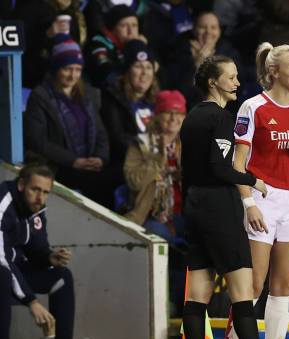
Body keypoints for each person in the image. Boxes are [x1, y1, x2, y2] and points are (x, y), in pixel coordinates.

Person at [179, 55, 289, 339]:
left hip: (194, 205)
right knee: (243, 291)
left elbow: (188, 168)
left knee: (197, 294)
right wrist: (255, 180)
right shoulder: (220, 118)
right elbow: (220, 166)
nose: (237, 82)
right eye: (230, 77)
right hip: (218, 207)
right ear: (213, 82)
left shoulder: (191, 118)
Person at [216, 42, 289, 339]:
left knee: (284, 285)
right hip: (262, 196)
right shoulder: (254, 106)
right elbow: (238, 161)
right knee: (254, 283)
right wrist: (247, 203)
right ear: (274, 71)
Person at [0, 164, 100, 339]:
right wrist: (31, 301)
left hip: (10, 268)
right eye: (35, 190)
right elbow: (2, 260)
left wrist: (48, 257)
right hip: (1, 269)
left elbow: (35, 249)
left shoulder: (37, 209)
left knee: (61, 276)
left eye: (45, 192)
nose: (40, 197)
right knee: (2, 274)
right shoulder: (3, 203)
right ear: (20, 185)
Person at [24, 34, 114, 209]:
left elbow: (101, 133)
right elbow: (37, 140)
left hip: (90, 164)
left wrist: (100, 158)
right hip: (60, 166)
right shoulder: (41, 96)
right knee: (96, 185)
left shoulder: (89, 95)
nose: (73, 75)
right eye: (67, 69)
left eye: (78, 70)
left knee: (114, 177)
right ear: (56, 68)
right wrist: (74, 161)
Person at [123, 90, 186, 241]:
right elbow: (134, 181)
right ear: (157, 116)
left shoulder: (188, 144)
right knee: (160, 237)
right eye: (168, 112)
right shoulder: (141, 144)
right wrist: (158, 158)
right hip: (150, 215)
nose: (173, 118)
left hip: (185, 212)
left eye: (179, 114)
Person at [100, 39, 159, 184]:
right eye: (138, 66)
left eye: (148, 67)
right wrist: (146, 154)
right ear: (126, 71)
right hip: (124, 167)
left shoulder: (157, 101)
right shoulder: (113, 98)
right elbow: (117, 137)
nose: (144, 73)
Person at [168, 10, 244, 110]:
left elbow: (237, 88)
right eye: (202, 27)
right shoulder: (179, 51)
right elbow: (178, 89)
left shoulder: (230, 53)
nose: (208, 32)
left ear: (219, 31)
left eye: (213, 28)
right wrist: (196, 64)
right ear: (194, 30)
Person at [84, 5, 143, 88]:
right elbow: (106, 72)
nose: (130, 31)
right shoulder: (97, 43)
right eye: (124, 26)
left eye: (134, 25)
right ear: (112, 29)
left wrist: (139, 48)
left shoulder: (139, 45)